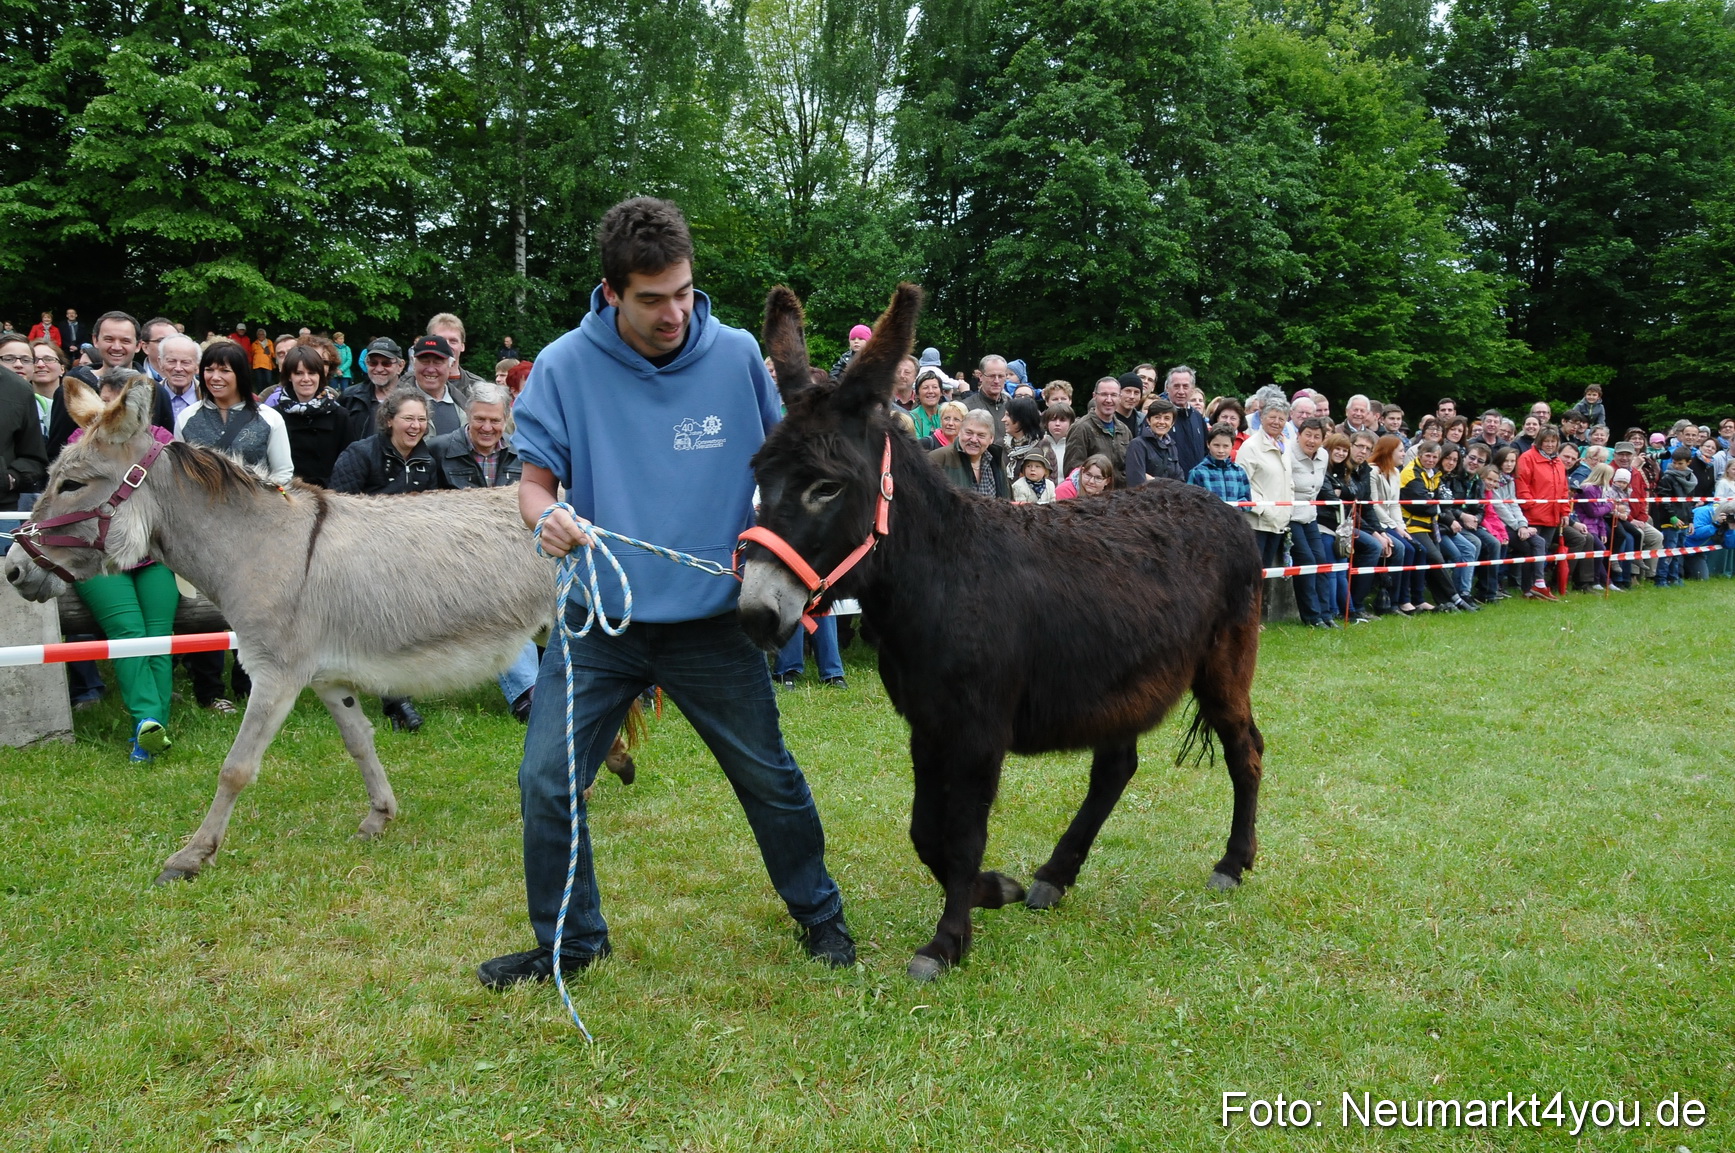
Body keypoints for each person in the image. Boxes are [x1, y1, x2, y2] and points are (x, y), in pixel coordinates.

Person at [482, 197, 853, 986]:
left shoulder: (735, 355)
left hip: (713, 623)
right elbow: (534, 484)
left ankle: (820, 914)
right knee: (545, 779)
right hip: (599, 617)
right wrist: (546, 518)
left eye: (683, 292)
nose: (674, 312)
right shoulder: (563, 364)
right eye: (653, 298)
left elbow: (782, 465)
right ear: (612, 291)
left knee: (768, 775)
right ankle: (572, 942)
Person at [66, 369, 180, 760]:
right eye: (107, 402)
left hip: (153, 554)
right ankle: (147, 726)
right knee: (129, 632)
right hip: (98, 554)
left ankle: (153, 729)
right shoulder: (81, 444)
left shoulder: (164, 444)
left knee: (158, 638)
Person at [327, 388, 451, 733]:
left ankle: (399, 690)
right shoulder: (361, 453)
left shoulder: (427, 459)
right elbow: (338, 509)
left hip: (412, 560)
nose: (415, 426)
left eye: (422, 420)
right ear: (389, 420)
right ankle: (398, 701)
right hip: (362, 559)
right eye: (408, 418)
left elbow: (436, 508)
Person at [270, 345, 352, 487]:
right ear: (289, 376)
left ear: (320, 375)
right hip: (289, 496)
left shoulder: (340, 416)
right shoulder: (274, 416)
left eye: (312, 373)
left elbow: (349, 465)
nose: (306, 379)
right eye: (299, 373)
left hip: (331, 497)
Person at [1284, 417, 1336, 627]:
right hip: (1290, 514)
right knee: (1306, 561)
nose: (1312, 440)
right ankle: (1311, 616)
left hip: (1310, 513)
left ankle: (1325, 614)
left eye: (1317, 437)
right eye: (1308, 435)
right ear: (1298, 435)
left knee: (1322, 561)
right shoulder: (1287, 453)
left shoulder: (1323, 455)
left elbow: (1318, 485)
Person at [1235, 393, 1292, 570]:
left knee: (1266, 573)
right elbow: (1242, 483)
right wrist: (1264, 509)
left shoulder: (1286, 445)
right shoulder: (1251, 446)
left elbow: (1289, 481)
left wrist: (1287, 510)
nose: (1276, 422)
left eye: (1281, 418)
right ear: (1262, 417)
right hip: (1257, 522)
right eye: (1272, 417)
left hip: (1278, 523)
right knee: (1252, 573)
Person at [1368, 434, 1424, 613]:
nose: (1403, 454)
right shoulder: (1372, 472)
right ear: (1388, 452)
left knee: (1416, 548)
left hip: (1391, 522)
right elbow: (1374, 505)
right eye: (1400, 450)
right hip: (1378, 523)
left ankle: (1407, 599)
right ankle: (1392, 601)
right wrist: (1393, 526)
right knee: (1403, 549)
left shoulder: (1395, 472)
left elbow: (1395, 505)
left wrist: (1401, 528)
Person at [1515, 426, 1570, 597]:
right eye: (1546, 441)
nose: (1550, 444)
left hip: (1552, 515)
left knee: (1543, 550)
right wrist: (1529, 505)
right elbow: (1521, 483)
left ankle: (1536, 587)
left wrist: (1565, 511)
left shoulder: (1558, 462)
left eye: (1553, 441)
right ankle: (1527, 588)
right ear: (1539, 441)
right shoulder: (1527, 458)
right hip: (1533, 514)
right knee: (1531, 551)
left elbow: (1564, 489)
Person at [0, 333, 48, 513]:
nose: (18, 364)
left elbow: (34, 457)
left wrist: (9, 479)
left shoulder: (19, 390)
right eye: (9, 358)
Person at [932, 409, 1007, 498]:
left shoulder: (995, 461)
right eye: (969, 433)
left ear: (991, 439)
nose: (974, 440)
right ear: (959, 432)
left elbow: (1007, 501)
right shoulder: (938, 458)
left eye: (981, 435)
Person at [341, 337, 404, 441]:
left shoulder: (413, 399)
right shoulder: (350, 397)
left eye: (386, 363)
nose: (379, 369)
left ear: (400, 366)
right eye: (373, 363)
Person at [1068, 376, 1132, 479]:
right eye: (1104, 394)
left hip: (1121, 493)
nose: (1109, 400)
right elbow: (1073, 470)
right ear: (1094, 396)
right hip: (1093, 494)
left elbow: (1130, 467)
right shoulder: (1081, 428)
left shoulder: (1124, 430)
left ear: (1120, 398)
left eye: (1114, 395)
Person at [406, 334, 467, 436]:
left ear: (451, 365)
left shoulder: (466, 405)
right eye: (424, 361)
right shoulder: (395, 406)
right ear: (413, 363)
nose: (430, 369)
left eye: (438, 362)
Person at [1188, 423, 1252, 507]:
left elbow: (1247, 501)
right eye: (1216, 445)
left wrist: (1233, 509)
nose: (1221, 450)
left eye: (1225, 446)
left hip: (1234, 518)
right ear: (1208, 444)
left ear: (1232, 446)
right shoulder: (1197, 472)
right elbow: (1191, 503)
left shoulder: (1239, 472)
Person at [1124, 396, 1182, 486]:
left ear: (1172, 423)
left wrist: (1154, 480)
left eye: (1167, 418)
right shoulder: (1138, 445)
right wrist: (1167, 485)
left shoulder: (1172, 447)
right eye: (1157, 417)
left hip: (1169, 499)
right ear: (1148, 420)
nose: (1162, 422)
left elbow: (1180, 482)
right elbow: (1136, 482)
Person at [963, 355, 1011, 444]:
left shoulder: (1012, 407)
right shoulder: (966, 407)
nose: (996, 381)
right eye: (992, 376)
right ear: (980, 376)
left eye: (1000, 376)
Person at [1039, 402, 1074, 480]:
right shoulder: (1039, 445)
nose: (1057, 424)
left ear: (1071, 423)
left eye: (1062, 420)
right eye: (1053, 420)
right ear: (1046, 423)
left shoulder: (1075, 446)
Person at [910, 370, 944, 439]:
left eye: (935, 387)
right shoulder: (911, 418)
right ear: (917, 394)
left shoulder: (949, 414)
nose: (931, 391)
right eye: (925, 388)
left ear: (941, 392)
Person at [248, 328, 275, 395]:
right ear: (257, 335)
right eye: (259, 334)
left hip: (267, 365)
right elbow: (251, 354)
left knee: (268, 381)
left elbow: (273, 354)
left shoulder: (269, 342)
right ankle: (260, 395)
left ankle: (269, 394)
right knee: (259, 382)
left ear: (265, 335)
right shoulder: (254, 344)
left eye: (262, 334)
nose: (261, 335)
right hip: (257, 365)